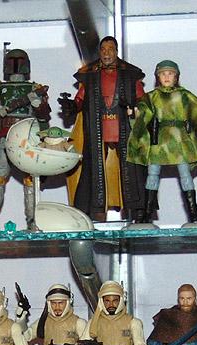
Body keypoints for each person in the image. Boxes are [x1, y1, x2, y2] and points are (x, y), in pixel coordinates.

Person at [60, 36, 146, 222]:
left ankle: (138, 211)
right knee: (92, 171)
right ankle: (91, 211)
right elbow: (80, 100)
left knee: (133, 171)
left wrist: (138, 109)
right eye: (103, 50)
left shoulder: (130, 75)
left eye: (110, 49)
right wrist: (70, 107)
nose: (107, 53)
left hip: (124, 130)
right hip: (97, 130)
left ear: (116, 51)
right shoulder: (91, 77)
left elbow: (143, 100)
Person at [125, 60, 197, 224]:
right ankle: (146, 215)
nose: (166, 77)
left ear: (176, 77)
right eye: (163, 74)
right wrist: (134, 113)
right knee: (152, 174)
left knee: (185, 175)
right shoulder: (152, 97)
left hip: (180, 140)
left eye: (170, 73)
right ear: (157, 77)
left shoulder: (184, 95)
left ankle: (194, 215)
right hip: (159, 141)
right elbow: (143, 112)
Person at [0, 48, 50, 232]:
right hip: (5, 136)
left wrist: (37, 105)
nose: (16, 65)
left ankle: (33, 220)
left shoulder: (35, 89)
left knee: (31, 180)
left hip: (27, 138)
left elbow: (44, 115)